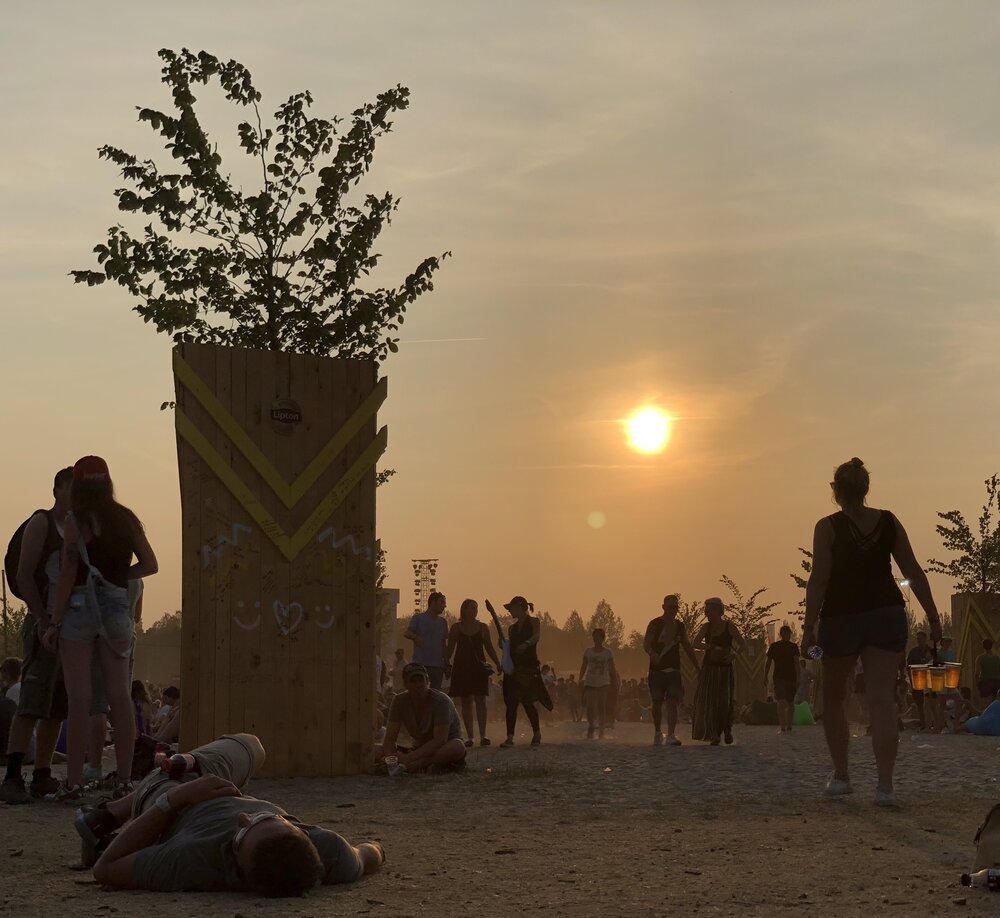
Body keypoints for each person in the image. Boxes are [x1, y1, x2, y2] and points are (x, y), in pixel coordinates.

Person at [73, 732, 384, 894]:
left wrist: (175, 799)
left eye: (240, 834)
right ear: (300, 831)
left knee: (243, 746)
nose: (244, 816)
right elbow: (367, 854)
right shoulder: (330, 852)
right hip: (219, 784)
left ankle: (115, 811)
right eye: (267, 817)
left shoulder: (191, 858)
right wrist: (378, 849)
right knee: (254, 746)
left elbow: (106, 868)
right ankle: (183, 766)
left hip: (168, 790)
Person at [802, 457, 942, 807]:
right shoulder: (889, 521)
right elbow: (912, 567)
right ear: (866, 489)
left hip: (841, 618)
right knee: (882, 700)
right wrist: (933, 616)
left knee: (835, 698)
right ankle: (885, 787)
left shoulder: (828, 527)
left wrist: (808, 625)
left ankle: (842, 776)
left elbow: (819, 579)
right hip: (886, 614)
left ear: (836, 491)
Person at [43, 456, 159, 801]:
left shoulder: (75, 521)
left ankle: (74, 782)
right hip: (116, 606)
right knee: (120, 696)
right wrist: (119, 578)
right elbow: (151, 565)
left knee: (79, 700)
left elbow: (66, 574)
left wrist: (53, 621)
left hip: (79, 607)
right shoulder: (126, 519)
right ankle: (125, 780)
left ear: (78, 485)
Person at [1, 467, 73, 804]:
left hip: (70, 626)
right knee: (31, 700)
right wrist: (43, 620)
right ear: (57, 488)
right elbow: (24, 574)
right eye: (71, 488)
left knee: (57, 706)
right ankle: (13, 775)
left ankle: (42, 775)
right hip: (43, 622)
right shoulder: (42, 522)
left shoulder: (77, 528)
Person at [376, 663, 467, 774]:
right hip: (418, 749)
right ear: (406, 684)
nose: (418, 685)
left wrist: (408, 758)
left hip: (442, 748)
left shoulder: (441, 702)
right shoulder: (399, 701)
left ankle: (420, 765)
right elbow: (390, 739)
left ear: (428, 682)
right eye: (413, 681)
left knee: (457, 746)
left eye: (421, 680)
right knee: (376, 751)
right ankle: (408, 766)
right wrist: (392, 760)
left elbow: (440, 740)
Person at [643, 594, 699, 746]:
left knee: (672, 702)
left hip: (674, 669)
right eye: (670, 607)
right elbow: (646, 643)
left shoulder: (680, 626)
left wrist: (696, 665)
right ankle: (657, 732)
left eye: (676, 607)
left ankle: (671, 734)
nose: (673, 610)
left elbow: (687, 646)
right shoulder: (654, 624)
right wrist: (652, 654)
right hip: (656, 670)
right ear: (663, 607)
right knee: (656, 702)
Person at [445, 599, 501, 747]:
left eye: (476, 608)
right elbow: (450, 648)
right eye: (472, 608)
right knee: (466, 702)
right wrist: (446, 664)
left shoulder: (483, 628)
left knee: (481, 700)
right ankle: (470, 737)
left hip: (478, 668)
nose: (475, 611)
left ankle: (483, 735)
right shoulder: (456, 628)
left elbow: (489, 647)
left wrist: (497, 663)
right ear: (464, 610)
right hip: (462, 667)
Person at [491, 596, 546, 747]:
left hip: (528, 668)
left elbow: (536, 636)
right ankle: (510, 737)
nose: (510, 611)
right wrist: (503, 645)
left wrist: (527, 644)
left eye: (512, 608)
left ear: (521, 607)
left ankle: (537, 733)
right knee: (511, 703)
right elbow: (509, 647)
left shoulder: (534, 622)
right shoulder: (512, 628)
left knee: (528, 702)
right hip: (514, 669)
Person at [692, 598, 744, 745]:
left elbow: (742, 645)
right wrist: (710, 647)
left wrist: (733, 655)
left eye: (709, 610)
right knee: (710, 701)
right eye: (705, 610)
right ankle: (713, 732)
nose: (706, 613)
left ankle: (727, 729)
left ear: (718, 611)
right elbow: (695, 643)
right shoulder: (706, 627)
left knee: (725, 701)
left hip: (725, 670)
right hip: (709, 668)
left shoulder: (729, 627)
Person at [403, 592, 449, 690]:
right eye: (442, 602)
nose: (444, 605)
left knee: (435, 694)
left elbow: (443, 644)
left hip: (437, 666)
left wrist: (447, 663)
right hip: (421, 665)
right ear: (433, 602)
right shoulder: (418, 618)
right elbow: (407, 633)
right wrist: (415, 637)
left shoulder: (443, 622)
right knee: (420, 692)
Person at [579, 629, 619, 739]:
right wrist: (580, 679)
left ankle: (601, 730)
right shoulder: (588, 651)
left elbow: (612, 668)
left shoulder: (608, 653)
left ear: (602, 638)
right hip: (590, 682)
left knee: (602, 706)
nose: (596, 638)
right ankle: (591, 725)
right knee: (590, 706)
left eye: (598, 636)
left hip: (603, 682)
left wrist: (615, 682)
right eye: (594, 636)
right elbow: (583, 666)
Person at [764, 625, 800, 734]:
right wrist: (765, 675)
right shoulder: (774, 646)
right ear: (782, 634)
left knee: (790, 702)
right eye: (785, 634)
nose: (787, 636)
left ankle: (789, 725)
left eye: (788, 634)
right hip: (779, 678)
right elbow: (768, 662)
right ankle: (783, 726)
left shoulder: (793, 647)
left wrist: (798, 677)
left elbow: (796, 662)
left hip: (791, 678)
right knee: (781, 701)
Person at [905, 631, 935, 731]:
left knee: (931, 703)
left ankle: (932, 724)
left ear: (925, 639)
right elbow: (908, 667)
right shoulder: (913, 652)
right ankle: (923, 724)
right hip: (917, 680)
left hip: (929, 681)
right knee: (919, 704)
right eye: (917, 639)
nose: (919, 641)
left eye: (920, 638)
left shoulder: (930, 651)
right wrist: (912, 681)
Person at [976, 638, 1000, 704]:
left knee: (986, 704)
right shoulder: (997, 658)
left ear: (983, 646)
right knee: (996, 702)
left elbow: (977, 673)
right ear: (991, 646)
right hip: (997, 682)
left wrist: (977, 684)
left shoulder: (980, 658)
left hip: (986, 682)